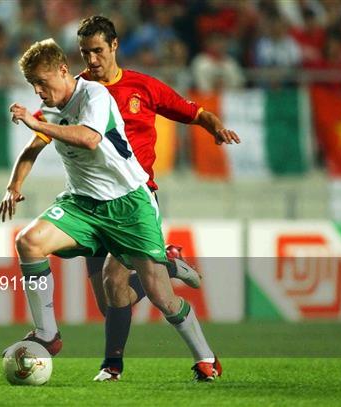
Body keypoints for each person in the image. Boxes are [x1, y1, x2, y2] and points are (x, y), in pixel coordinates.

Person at [0, 38, 219, 382]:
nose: (39, 91)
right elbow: (31, 150)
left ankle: (206, 358)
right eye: (32, 85)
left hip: (129, 203)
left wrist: (36, 123)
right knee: (29, 242)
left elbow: (88, 138)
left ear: (62, 70)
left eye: (43, 82)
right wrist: (14, 187)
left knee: (161, 297)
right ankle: (47, 335)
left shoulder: (94, 95)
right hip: (83, 204)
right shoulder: (50, 109)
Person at [76, 16, 241, 381]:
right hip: (91, 202)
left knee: (124, 282)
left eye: (98, 51)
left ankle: (113, 367)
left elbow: (195, 112)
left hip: (132, 199)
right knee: (111, 299)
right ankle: (168, 265)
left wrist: (216, 129)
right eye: (85, 53)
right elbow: (49, 117)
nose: (91, 60)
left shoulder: (143, 87)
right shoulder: (78, 89)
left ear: (115, 46)